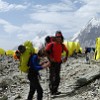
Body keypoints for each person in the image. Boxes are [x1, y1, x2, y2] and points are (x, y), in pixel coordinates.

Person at [45, 31, 68, 95]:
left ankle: (55, 90)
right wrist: (50, 58)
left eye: (60, 37)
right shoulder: (51, 44)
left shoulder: (62, 45)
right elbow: (45, 51)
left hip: (58, 62)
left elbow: (67, 51)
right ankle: (52, 91)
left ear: (61, 37)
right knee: (52, 76)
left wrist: (66, 57)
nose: (59, 38)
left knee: (57, 77)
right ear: (55, 37)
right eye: (57, 37)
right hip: (52, 63)